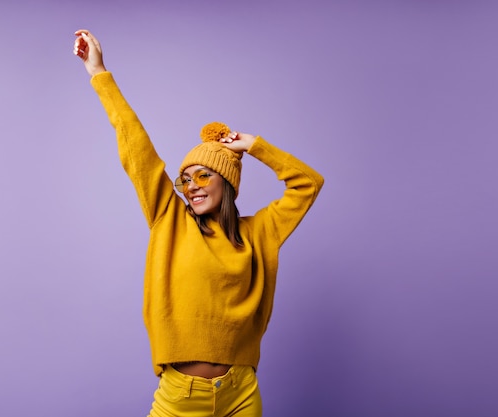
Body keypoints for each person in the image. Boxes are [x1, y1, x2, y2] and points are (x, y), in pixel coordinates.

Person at [73, 29, 324, 417]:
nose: (191, 187)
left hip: (241, 393)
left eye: (203, 176)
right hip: (180, 395)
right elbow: (136, 147)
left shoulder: (260, 232)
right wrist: (98, 73)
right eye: (186, 179)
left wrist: (254, 146)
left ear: (226, 181)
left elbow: (308, 184)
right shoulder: (168, 217)